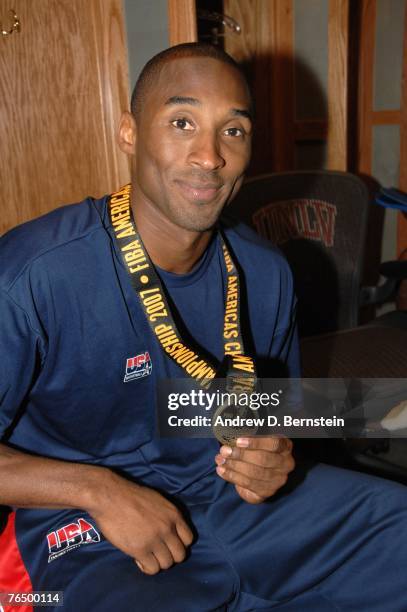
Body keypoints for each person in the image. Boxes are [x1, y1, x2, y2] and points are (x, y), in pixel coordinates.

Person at [0, 42, 406, 612]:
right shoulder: (32, 273)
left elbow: (272, 414)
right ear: (129, 133)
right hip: (82, 527)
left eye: (233, 131)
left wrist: (273, 456)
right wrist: (96, 489)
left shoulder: (265, 272)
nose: (210, 156)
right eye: (182, 122)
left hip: (231, 502)